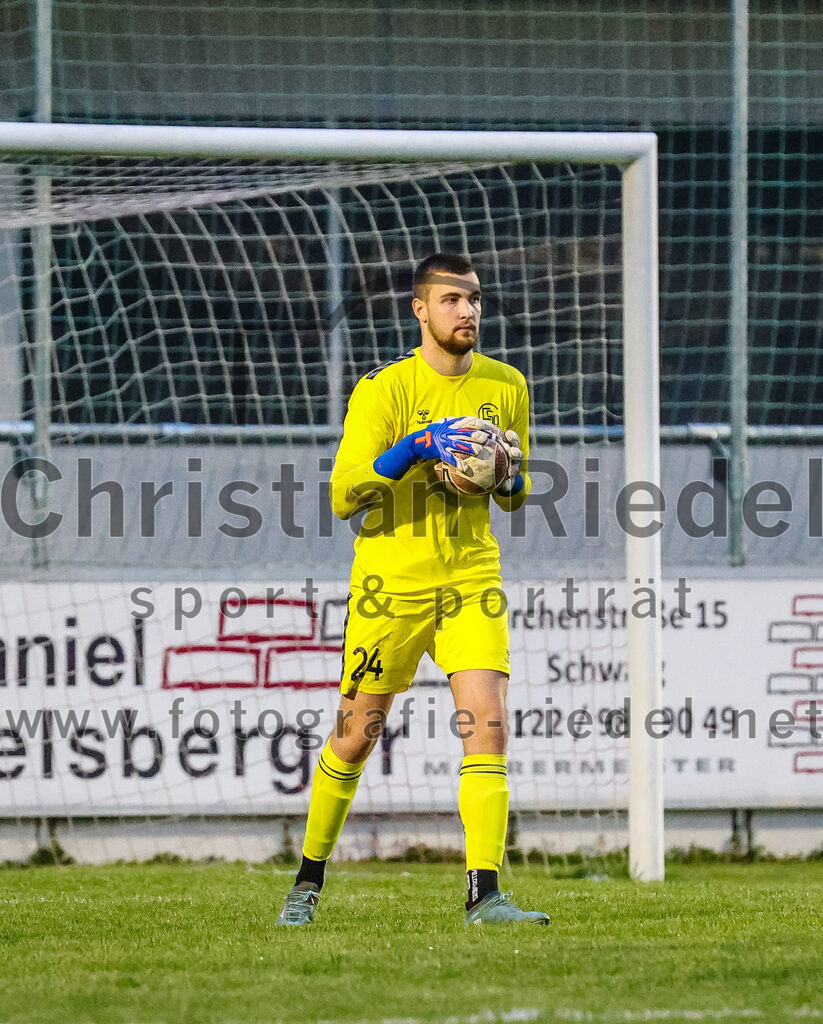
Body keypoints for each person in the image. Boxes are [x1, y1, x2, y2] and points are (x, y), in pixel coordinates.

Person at [275, 252, 549, 927]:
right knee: (355, 733)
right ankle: (307, 881)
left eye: (475, 299)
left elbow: (518, 494)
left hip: (469, 579)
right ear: (419, 309)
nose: (468, 311)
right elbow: (345, 495)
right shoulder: (382, 389)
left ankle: (484, 894)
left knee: (487, 725)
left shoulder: (505, 384)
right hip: (389, 585)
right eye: (451, 300)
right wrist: (419, 446)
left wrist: (502, 473)